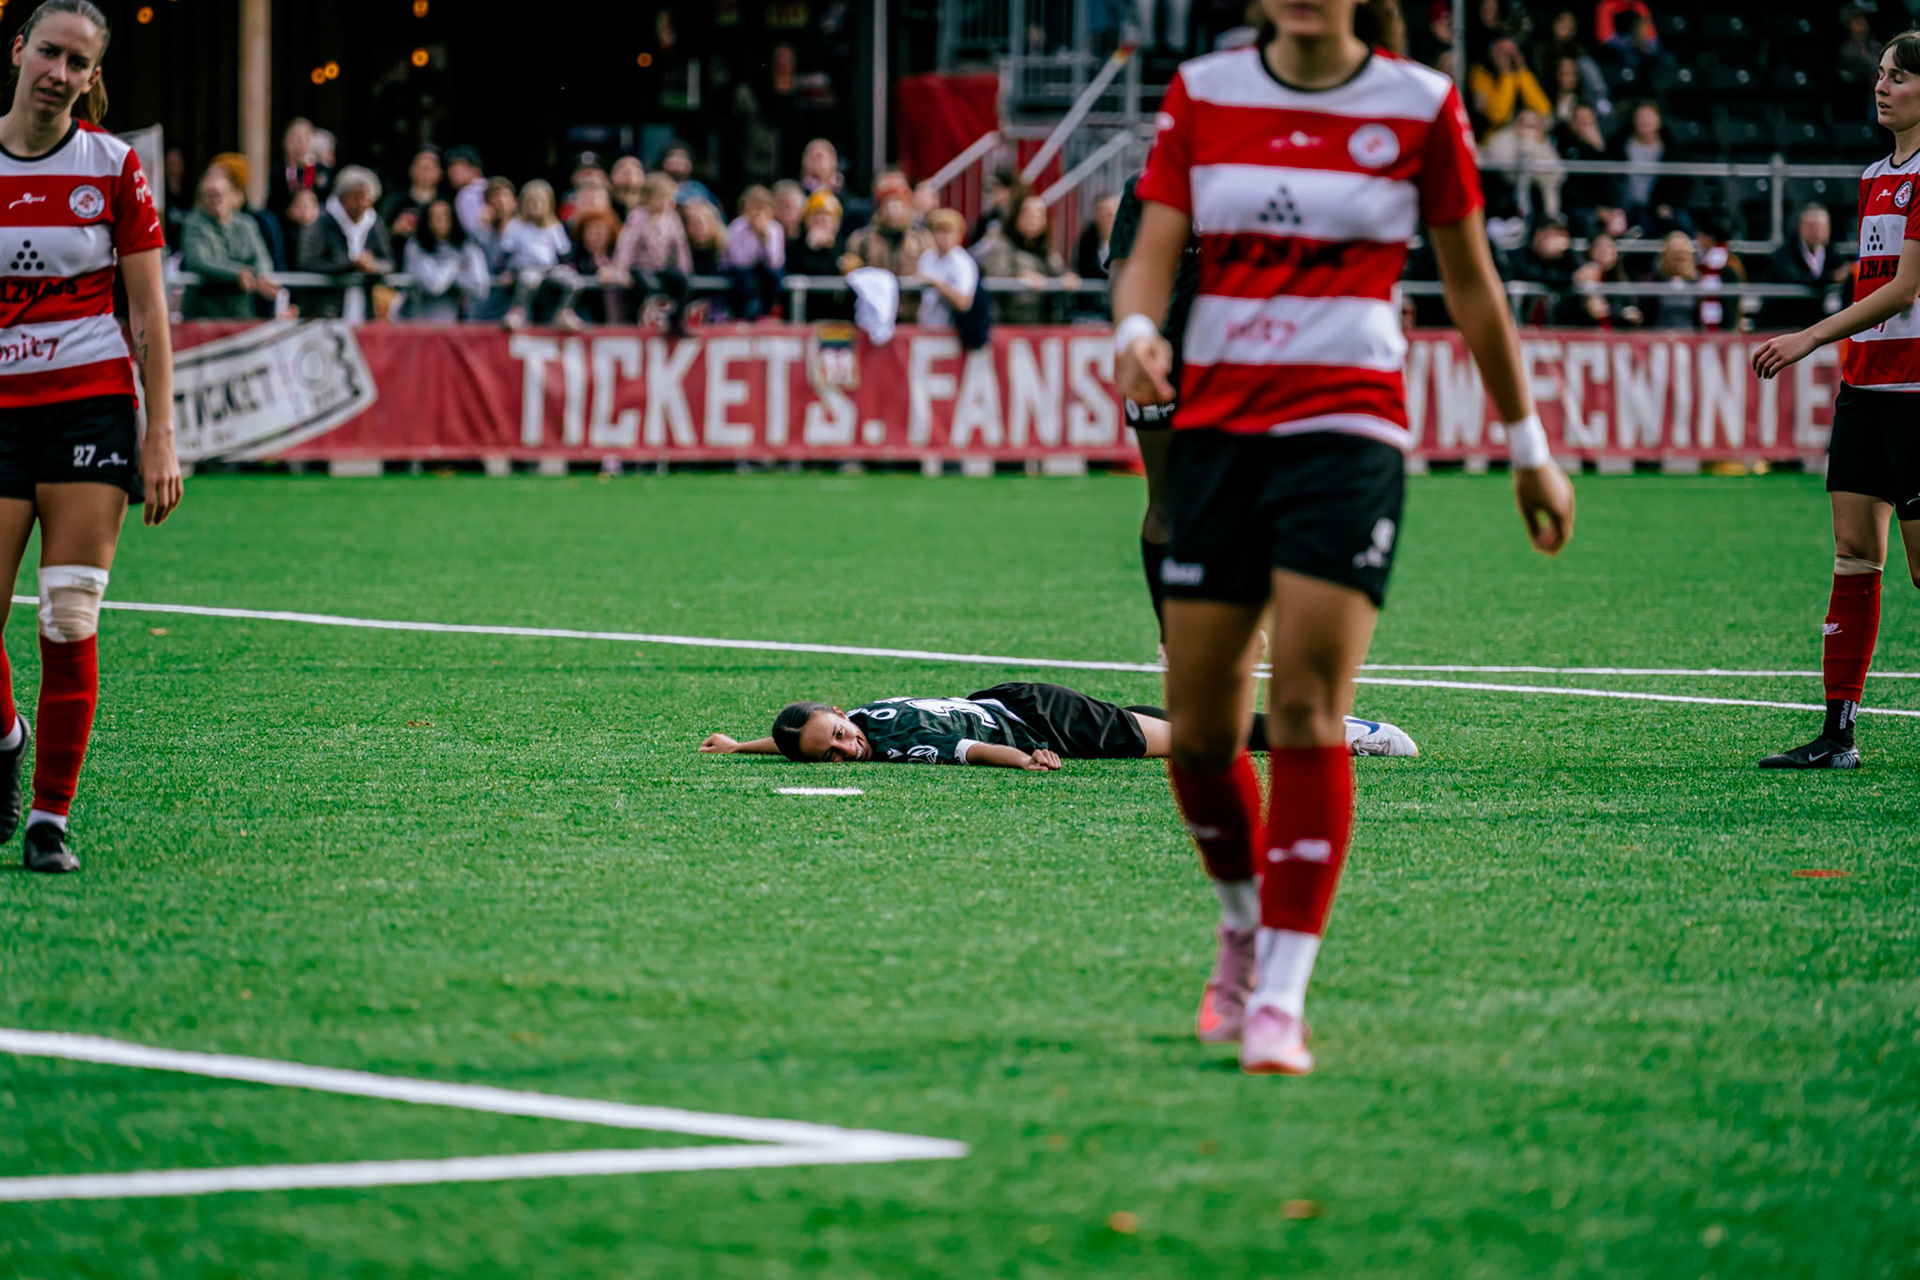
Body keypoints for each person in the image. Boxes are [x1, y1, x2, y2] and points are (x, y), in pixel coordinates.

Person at [1112, 0, 1574, 1074]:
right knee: (1205, 726)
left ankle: (1280, 990)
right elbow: (1149, 256)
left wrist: (1527, 443)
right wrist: (1138, 329)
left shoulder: (1419, 105)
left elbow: (1471, 283)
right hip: (1219, 432)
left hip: (1347, 436)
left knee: (1314, 708)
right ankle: (1239, 921)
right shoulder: (1206, 92)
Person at [0, 0, 183, 873]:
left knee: (69, 617)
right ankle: (6, 741)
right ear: (18, 52)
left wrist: (161, 435)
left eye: (78, 62)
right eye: (48, 52)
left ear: (92, 76)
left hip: (89, 410)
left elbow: (148, 311)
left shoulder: (111, 165)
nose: (59, 73)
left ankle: (48, 818)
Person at [1751, 30, 1920, 771]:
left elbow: (1906, 287)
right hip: (1867, 388)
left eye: (1900, 77)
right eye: (1882, 75)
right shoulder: (1874, 175)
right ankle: (1839, 734)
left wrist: (1810, 337)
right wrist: (1844, 356)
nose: (1883, 86)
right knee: (1854, 555)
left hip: (1917, 393)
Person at [697, 684, 1417, 766]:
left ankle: (1347, 732)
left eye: (840, 737)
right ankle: (1327, 723)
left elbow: (967, 749)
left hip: (1046, 726)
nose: (849, 749)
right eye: (835, 756)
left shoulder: (886, 739)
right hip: (1024, 702)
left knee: (1196, 741)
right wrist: (740, 746)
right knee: (1199, 722)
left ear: (834, 711)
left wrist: (1026, 762)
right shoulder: (855, 717)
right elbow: (801, 740)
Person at [179, 166, 280, 319]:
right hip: (205, 312)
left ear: (232, 195)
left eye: (221, 194)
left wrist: (262, 275)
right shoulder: (193, 223)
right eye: (209, 195)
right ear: (201, 199)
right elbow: (198, 261)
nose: (215, 199)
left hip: (240, 311)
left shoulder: (246, 224)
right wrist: (236, 273)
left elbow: (261, 256)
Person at [295, 165, 394, 322]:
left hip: (365, 310)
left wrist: (374, 266)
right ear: (343, 197)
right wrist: (349, 264)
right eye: (356, 198)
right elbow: (307, 262)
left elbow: (389, 262)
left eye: (366, 198)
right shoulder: (321, 224)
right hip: (326, 311)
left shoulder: (374, 224)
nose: (362, 204)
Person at [976, 194, 1080, 323]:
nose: (1034, 218)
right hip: (1009, 322)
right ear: (1016, 216)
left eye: (1039, 214)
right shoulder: (1002, 244)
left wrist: (1068, 276)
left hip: (1043, 322)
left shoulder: (1046, 249)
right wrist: (1019, 275)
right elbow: (995, 274)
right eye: (1028, 213)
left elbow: (1059, 270)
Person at [614, 173, 693, 332]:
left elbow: (680, 246)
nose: (665, 202)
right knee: (645, 283)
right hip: (640, 266)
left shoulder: (672, 218)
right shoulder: (638, 216)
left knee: (682, 281)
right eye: (661, 197)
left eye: (668, 198)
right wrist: (620, 270)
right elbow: (627, 245)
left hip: (662, 266)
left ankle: (676, 321)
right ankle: (633, 318)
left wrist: (685, 268)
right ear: (649, 197)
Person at [499, 178, 579, 330]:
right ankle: (516, 312)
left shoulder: (554, 226)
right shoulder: (515, 226)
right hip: (526, 267)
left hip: (550, 267)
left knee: (575, 282)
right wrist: (507, 272)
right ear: (523, 203)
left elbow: (565, 253)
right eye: (531, 201)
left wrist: (569, 268)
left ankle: (564, 312)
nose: (535, 206)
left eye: (540, 201)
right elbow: (506, 254)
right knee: (530, 281)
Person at [1766, 204, 1853, 330]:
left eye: (1821, 226)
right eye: (1811, 226)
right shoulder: (1785, 252)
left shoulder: (1830, 252)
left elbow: (1845, 272)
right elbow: (1792, 278)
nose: (1816, 231)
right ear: (1800, 228)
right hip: (1781, 323)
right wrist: (1830, 278)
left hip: (1813, 323)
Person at [1610, 101, 1690, 236]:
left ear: (1659, 120)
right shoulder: (1618, 144)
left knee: (1683, 222)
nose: (1644, 121)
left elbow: (1682, 182)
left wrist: (1669, 204)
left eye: (1649, 116)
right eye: (1640, 117)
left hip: (1659, 203)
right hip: (1627, 203)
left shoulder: (1672, 148)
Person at [401, 199, 487, 322]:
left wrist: (452, 277)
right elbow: (434, 285)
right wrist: (456, 266)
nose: (440, 221)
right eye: (435, 217)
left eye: (445, 216)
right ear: (427, 221)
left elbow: (480, 286)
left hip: (452, 321)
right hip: (417, 321)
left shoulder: (465, 246)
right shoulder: (415, 246)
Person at [1468, 36, 1550, 134]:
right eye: (1502, 50)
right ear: (1492, 54)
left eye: (1512, 50)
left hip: (1521, 135)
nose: (1508, 55)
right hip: (1492, 137)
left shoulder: (1520, 74)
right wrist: (1506, 74)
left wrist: (1521, 71)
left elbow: (1543, 109)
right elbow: (1498, 116)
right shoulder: (1480, 74)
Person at [915, 208, 979, 331]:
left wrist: (936, 283)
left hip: (951, 329)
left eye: (949, 232)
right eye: (939, 231)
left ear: (959, 235)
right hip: (925, 325)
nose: (944, 238)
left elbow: (964, 302)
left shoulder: (963, 263)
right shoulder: (927, 257)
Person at [268, 115, 330, 223]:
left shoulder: (322, 171)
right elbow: (273, 205)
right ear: (285, 142)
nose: (300, 143)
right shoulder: (278, 172)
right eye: (295, 139)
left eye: (305, 138)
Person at [381, 146, 442, 249]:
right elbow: (376, 238)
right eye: (422, 167)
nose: (425, 173)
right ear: (411, 170)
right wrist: (394, 230)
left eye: (430, 168)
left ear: (440, 173)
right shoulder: (394, 201)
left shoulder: (445, 203)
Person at [1638, 230, 1700, 329]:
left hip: (1689, 339)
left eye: (1683, 256)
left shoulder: (1697, 284)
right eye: (1676, 256)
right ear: (1666, 256)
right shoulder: (1651, 282)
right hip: (1659, 338)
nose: (1680, 261)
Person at [658, 141, 717, 208]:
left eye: (683, 156)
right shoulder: (654, 187)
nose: (679, 160)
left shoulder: (698, 190)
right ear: (664, 163)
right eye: (674, 156)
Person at [1076, 193, 1120, 281]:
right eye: (1104, 213)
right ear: (1095, 216)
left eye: (1112, 213)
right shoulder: (1085, 243)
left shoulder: (1131, 241)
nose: (1109, 218)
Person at [445, 145, 487, 237]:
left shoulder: (466, 194)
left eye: (457, 165)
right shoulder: (496, 186)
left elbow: (474, 233)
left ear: (475, 167)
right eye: (450, 167)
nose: (451, 172)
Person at [608, 154, 646, 221]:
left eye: (636, 168)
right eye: (621, 167)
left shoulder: (649, 205)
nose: (630, 173)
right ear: (612, 175)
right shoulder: (605, 204)